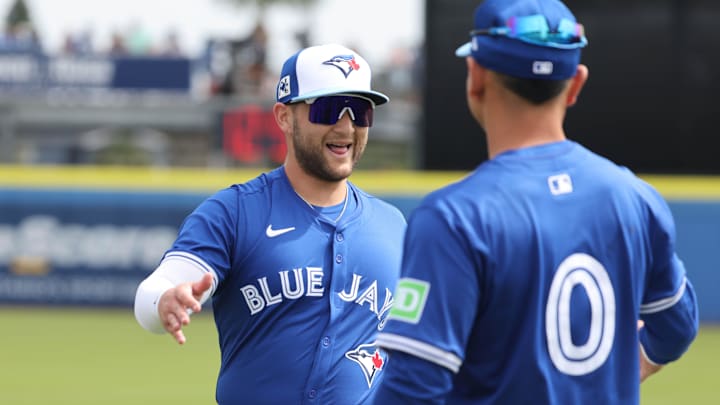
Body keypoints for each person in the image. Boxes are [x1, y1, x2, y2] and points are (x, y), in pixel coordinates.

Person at [373, 0, 699, 403]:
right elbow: (677, 325)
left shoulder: (455, 216)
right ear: (576, 83)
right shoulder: (635, 197)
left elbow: (412, 388)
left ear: (475, 76)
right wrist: (632, 369)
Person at [134, 43, 406, 404]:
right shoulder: (233, 212)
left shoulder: (394, 226)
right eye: (326, 108)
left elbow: (414, 334)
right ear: (283, 117)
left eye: (360, 111)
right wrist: (164, 300)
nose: (346, 125)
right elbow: (156, 290)